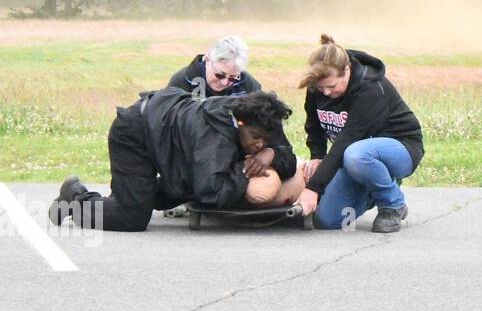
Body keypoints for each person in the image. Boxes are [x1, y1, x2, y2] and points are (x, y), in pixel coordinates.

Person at [49, 89, 297, 232]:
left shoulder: (262, 119)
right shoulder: (214, 134)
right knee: (131, 218)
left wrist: (271, 154)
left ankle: (130, 196)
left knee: (173, 190)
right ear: (239, 123)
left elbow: (289, 159)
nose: (259, 145)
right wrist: (243, 168)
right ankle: (74, 198)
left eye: (265, 141)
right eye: (255, 139)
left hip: (170, 138)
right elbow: (210, 193)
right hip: (136, 132)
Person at [295, 35, 424, 233]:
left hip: (400, 149)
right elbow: (314, 125)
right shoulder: (317, 87)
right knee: (326, 220)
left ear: (346, 70)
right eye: (321, 88)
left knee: (356, 154)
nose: (326, 93)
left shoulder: (370, 89)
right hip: (354, 156)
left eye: (332, 86)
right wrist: (317, 156)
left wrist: (313, 188)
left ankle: (392, 202)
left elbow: (346, 141)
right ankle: (373, 183)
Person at [167, 36, 262, 99]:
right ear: (208, 60)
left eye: (232, 78)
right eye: (220, 75)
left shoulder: (248, 85)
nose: (225, 82)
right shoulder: (182, 82)